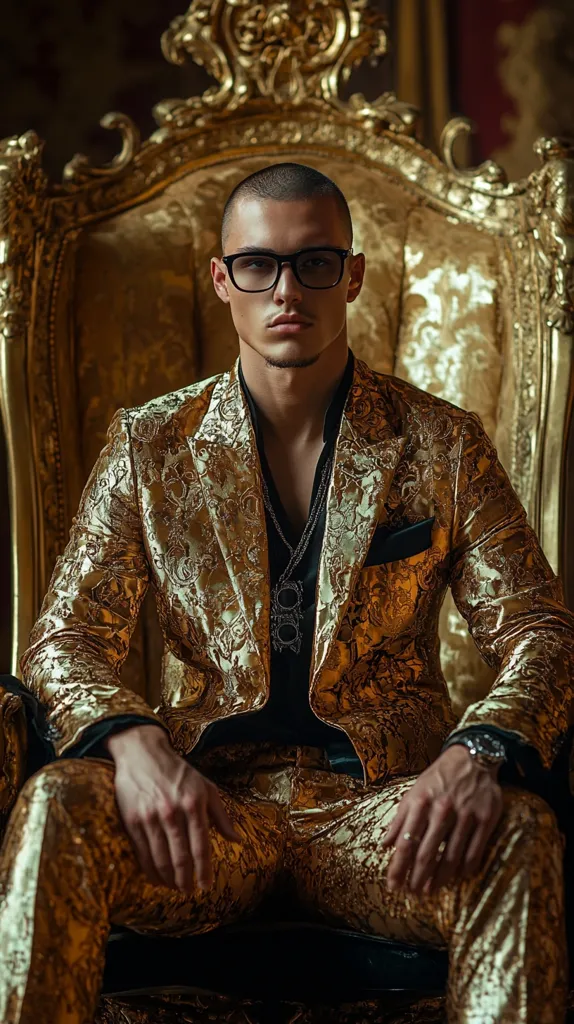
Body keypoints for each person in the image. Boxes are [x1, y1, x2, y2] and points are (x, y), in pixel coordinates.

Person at [0, 162, 573, 1024]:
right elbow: (65, 640)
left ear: (353, 275)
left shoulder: (442, 443)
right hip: (207, 814)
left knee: (516, 831)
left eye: (313, 263)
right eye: (258, 264)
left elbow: (541, 630)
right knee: (56, 806)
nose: (286, 290)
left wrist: (477, 753)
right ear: (221, 280)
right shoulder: (150, 445)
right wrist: (135, 744)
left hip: (381, 816)